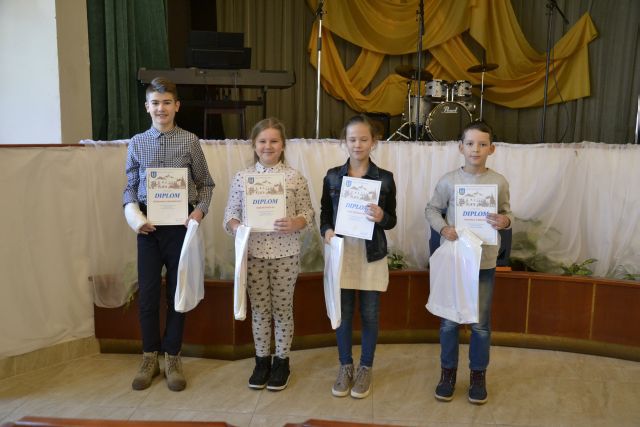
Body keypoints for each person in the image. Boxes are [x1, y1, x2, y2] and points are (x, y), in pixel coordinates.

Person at [122, 77, 214, 392]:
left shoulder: (190, 141)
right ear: (147, 107)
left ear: (177, 106)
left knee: (178, 293)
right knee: (148, 295)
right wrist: (135, 218)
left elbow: (206, 184)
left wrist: (199, 211)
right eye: (155, 103)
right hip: (148, 228)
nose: (160, 108)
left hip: (180, 227)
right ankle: (150, 357)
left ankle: (173, 356)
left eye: (166, 103)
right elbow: (130, 187)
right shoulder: (137, 143)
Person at [223, 118, 315, 391]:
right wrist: (237, 226)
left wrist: (296, 222)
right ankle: (262, 361)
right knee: (260, 310)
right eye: (262, 141)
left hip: (286, 254)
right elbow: (230, 215)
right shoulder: (242, 178)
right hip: (253, 254)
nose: (268, 146)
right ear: (254, 145)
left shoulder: (294, 177)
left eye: (274, 141)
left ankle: (282, 362)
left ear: (283, 145)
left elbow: (308, 213)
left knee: (283, 310)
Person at [425, 121, 513, 405]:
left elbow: (507, 214)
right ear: (460, 147)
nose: (476, 149)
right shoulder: (449, 180)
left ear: (492, 149)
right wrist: (443, 228)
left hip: (484, 263)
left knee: (480, 325)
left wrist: (505, 221)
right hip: (455, 260)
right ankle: (447, 374)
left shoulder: (499, 182)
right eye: (471, 144)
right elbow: (432, 209)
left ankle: (478, 375)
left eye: (482, 144)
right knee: (449, 322)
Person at [320, 115, 397, 399]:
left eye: (364, 139)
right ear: (345, 141)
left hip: (371, 255)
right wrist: (326, 231)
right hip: (343, 253)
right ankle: (345, 366)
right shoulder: (332, 176)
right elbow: (325, 214)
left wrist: (381, 216)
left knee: (369, 314)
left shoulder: (385, 178)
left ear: (373, 142)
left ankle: (365, 367)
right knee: (342, 314)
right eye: (352, 139)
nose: (358, 144)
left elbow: (392, 220)